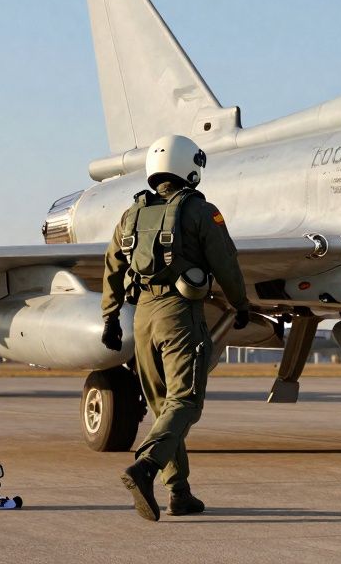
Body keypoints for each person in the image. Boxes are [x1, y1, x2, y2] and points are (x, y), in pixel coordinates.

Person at [99, 134, 250, 522]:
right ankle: (145, 466)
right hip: (179, 315)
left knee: (163, 407)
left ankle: (179, 493)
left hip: (142, 318)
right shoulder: (201, 211)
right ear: (189, 168)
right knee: (184, 401)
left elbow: (112, 266)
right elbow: (226, 263)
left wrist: (110, 317)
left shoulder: (130, 215)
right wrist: (240, 305)